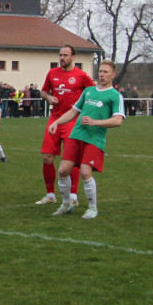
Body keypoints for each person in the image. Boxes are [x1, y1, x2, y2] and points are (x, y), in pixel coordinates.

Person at [46, 60, 125, 219]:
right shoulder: (88, 91)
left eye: (105, 72)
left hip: (94, 138)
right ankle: (66, 204)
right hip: (76, 135)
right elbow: (73, 111)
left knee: (85, 171)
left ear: (113, 75)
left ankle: (92, 208)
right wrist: (56, 122)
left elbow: (118, 120)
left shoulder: (115, 95)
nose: (102, 74)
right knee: (63, 170)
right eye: (100, 71)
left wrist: (95, 122)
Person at [36, 46, 95, 206]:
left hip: (73, 121)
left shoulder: (81, 76)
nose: (62, 58)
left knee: (71, 158)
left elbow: (93, 93)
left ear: (73, 57)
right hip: (55, 119)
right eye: (60, 55)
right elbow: (43, 92)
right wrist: (49, 98)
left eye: (65, 55)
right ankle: (50, 195)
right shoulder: (52, 73)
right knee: (47, 157)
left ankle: (73, 196)